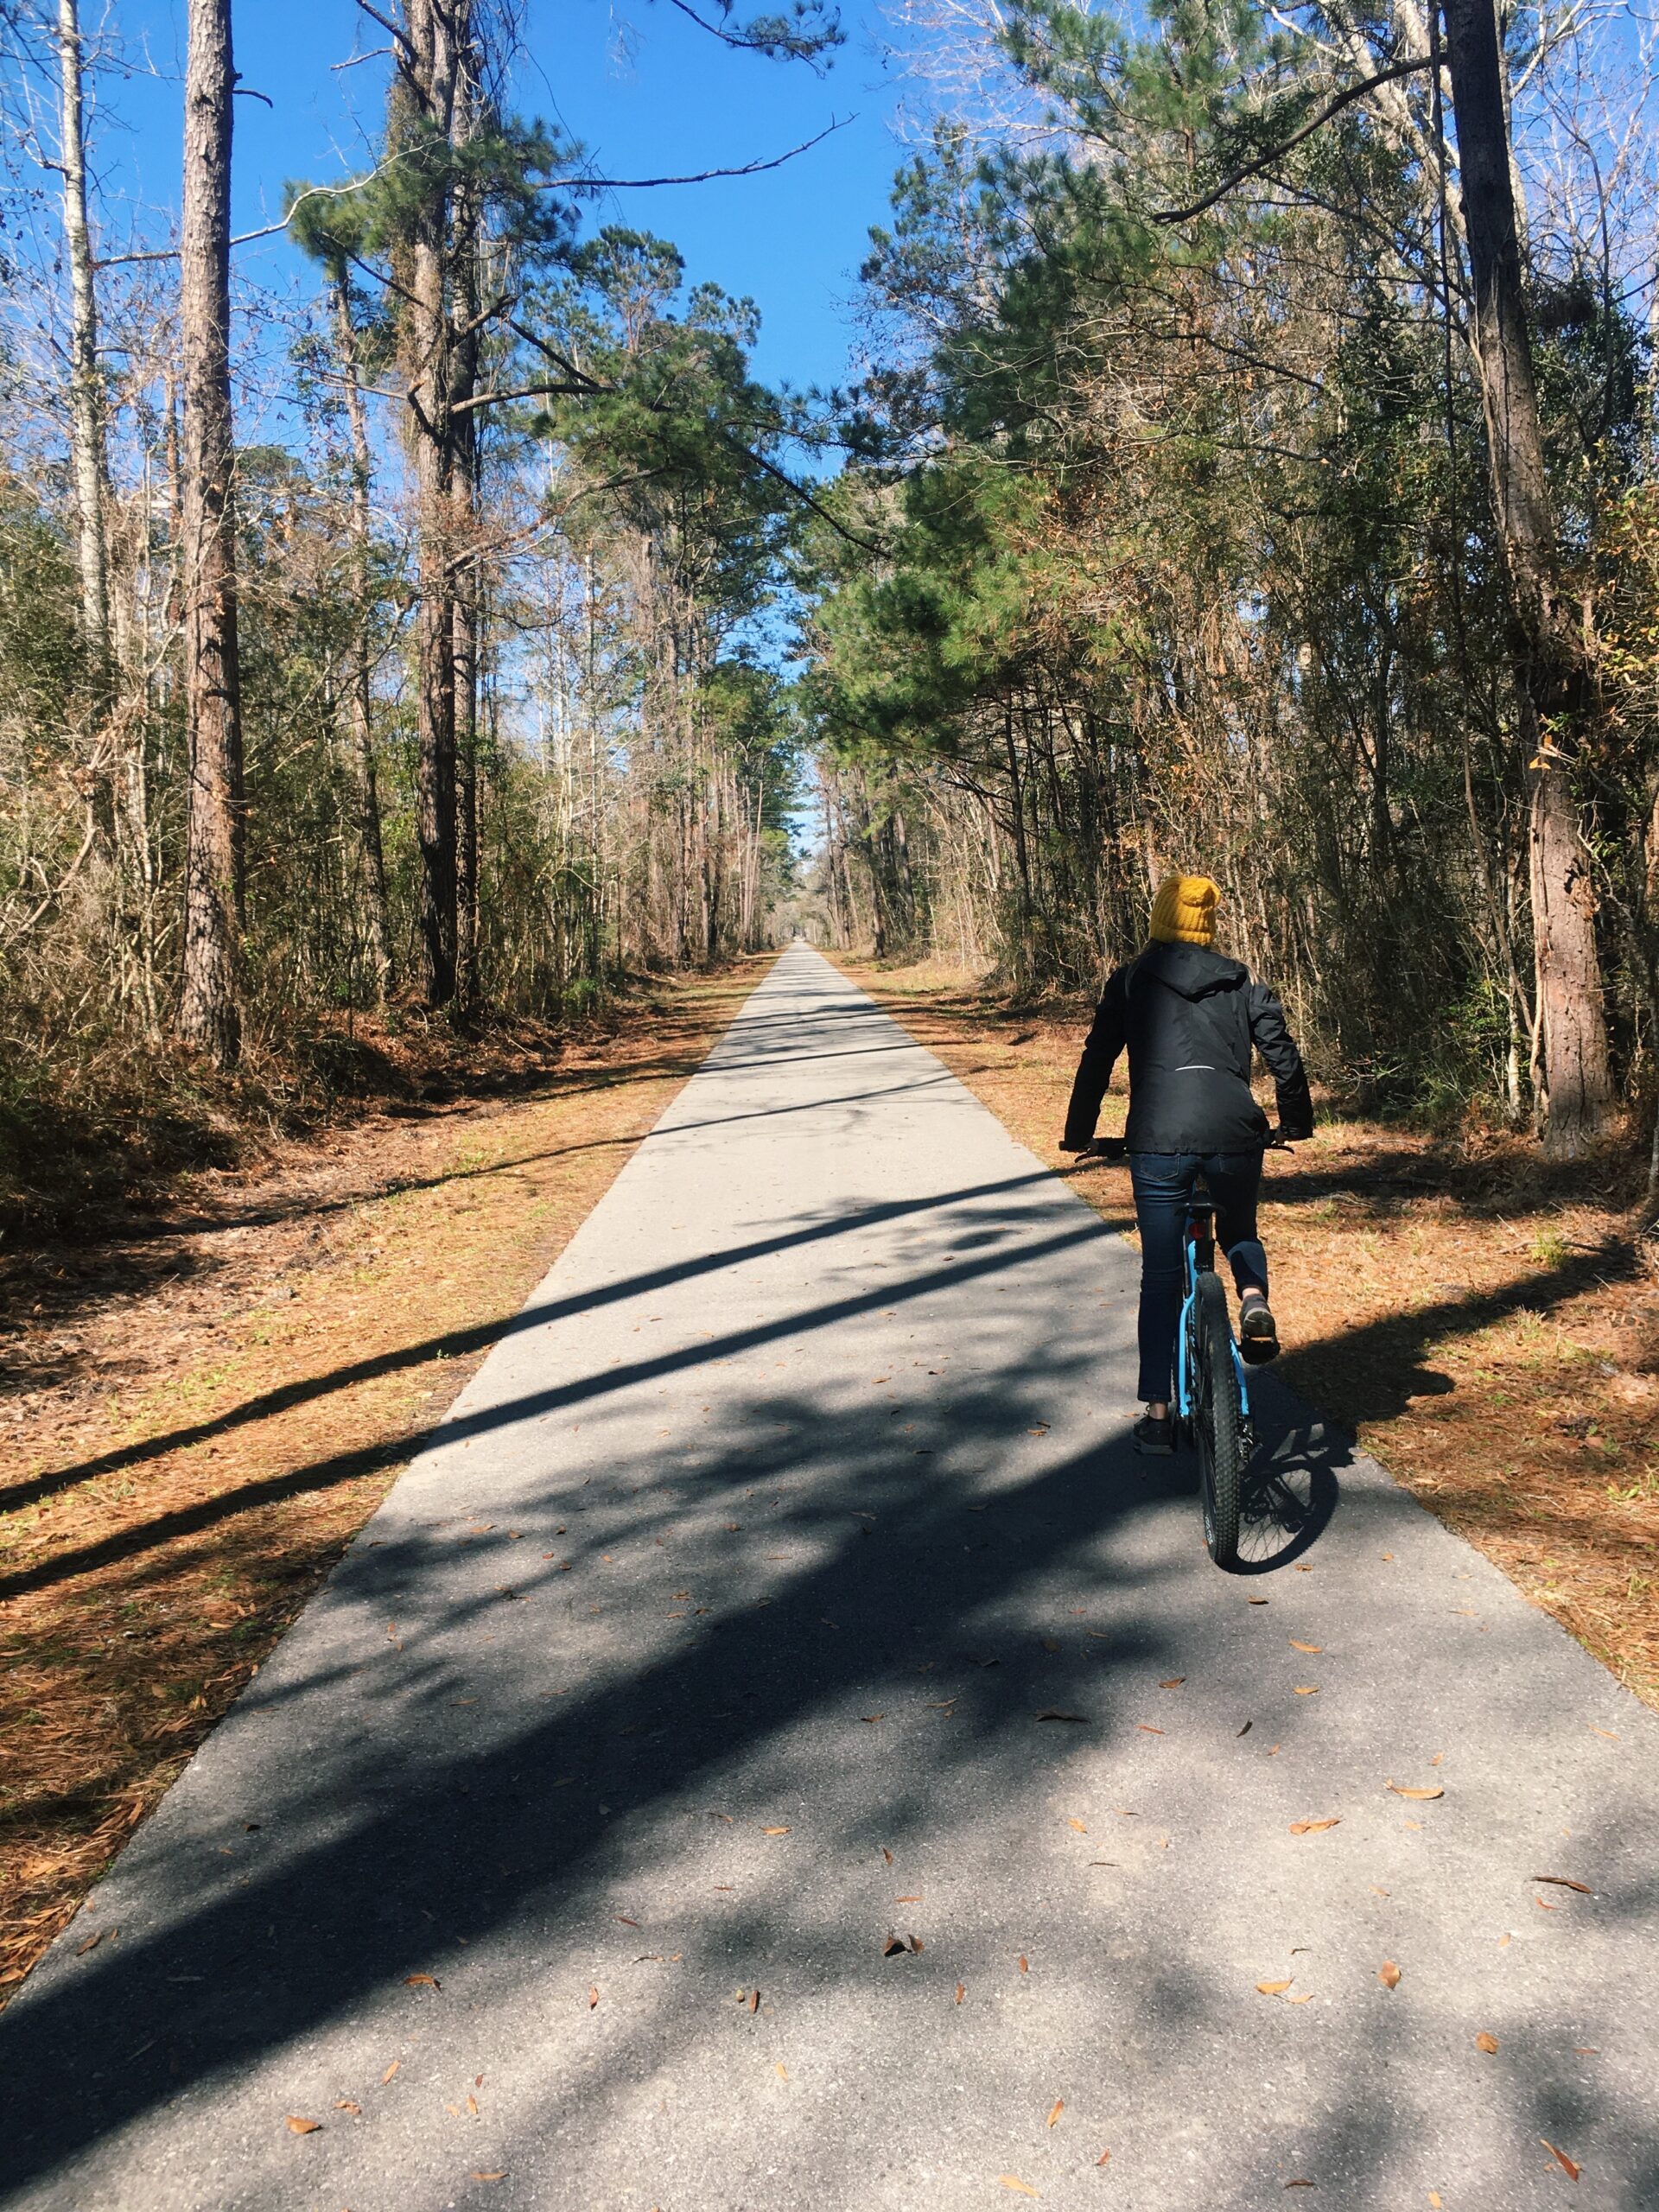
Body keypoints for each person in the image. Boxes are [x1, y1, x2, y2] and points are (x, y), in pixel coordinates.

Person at [1059, 874, 1313, 1457]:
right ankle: (1252, 1299)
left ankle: (1157, 1409)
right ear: (1207, 925)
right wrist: (1294, 1123)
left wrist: (1079, 1134)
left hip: (1157, 1141)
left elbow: (1096, 1060)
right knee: (1240, 1231)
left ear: (1158, 921)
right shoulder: (1243, 980)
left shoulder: (1130, 982)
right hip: (1234, 1134)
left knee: (1161, 1276)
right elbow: (1284, 1058)